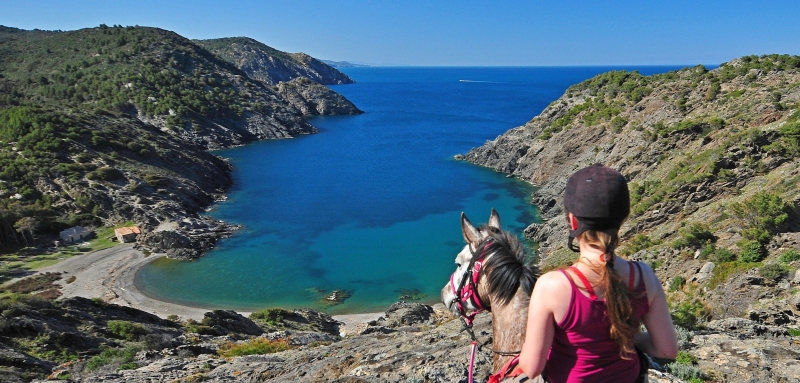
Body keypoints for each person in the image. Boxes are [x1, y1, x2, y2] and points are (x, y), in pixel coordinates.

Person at [518, 164, 678, 383]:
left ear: (572, 221)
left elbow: (532, 366)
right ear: (622, 219)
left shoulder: (552, 286)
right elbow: (667, 349)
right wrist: (630, 335)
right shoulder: (643, 276)